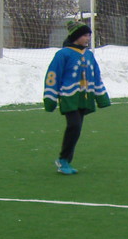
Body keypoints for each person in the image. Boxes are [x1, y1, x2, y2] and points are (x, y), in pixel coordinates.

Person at [43, 20, 111, 174]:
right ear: (76, 36)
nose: (88, 38)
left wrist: (101, 97)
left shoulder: (89, 55)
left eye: (89, 35)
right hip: (69, 97)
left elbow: (96, 76)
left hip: (84, 98)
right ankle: (63, 159)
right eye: (85, 35)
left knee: (77, 128)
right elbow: (53, 75)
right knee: (74, 125)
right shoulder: (63, 54)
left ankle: (65, 160)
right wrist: (50, 98)